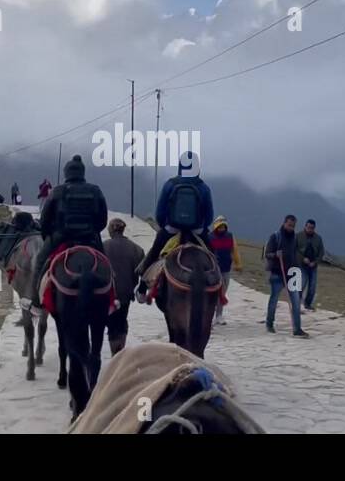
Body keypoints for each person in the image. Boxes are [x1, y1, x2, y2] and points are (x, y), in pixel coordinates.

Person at [29, 155, 108, 308]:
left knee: (40, 261)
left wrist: (48, 237)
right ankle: (114, 296)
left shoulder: (57, 191)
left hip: (61, 238)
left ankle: (35, 301)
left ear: (66, 173)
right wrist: (93, 231)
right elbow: (102, 220)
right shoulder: (96, 190)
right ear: (82, 173)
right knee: (107, 265)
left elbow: (44, 221)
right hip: (90, 238)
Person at [136, 151, 214, 300]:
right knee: (213, 257)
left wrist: (164, 227)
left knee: (154, 251)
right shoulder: (204, 187)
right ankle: (218, 292)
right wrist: (201, 227)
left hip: (172, 228)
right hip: (196, 230)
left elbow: (160, 212)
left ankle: (142, 288)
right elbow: (209, 216)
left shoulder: (170, 184)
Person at [102, 218, 145, 355]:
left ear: (110, 230)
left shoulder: (102, 247)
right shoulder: (136, 249)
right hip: (126, 294)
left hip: (107, 294)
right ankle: (120, 351)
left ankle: (115, 354)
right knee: (122, 321)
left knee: (111, 323)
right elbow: (143, 272)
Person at [264, 215, 309, 338]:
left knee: (295, 300)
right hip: (277, 273)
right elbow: (267, 253)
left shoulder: (294, 238)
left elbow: (295, 253)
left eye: (293, 226)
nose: (291, 228)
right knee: (274, 299)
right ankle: (269, 323)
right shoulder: (275, 236)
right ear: (284, 223)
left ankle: (297, 329)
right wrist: (275, 255)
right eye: (289, 225)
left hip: (291, 274)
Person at [209, 215, 242, 325]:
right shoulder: (210, 237)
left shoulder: (230, 237)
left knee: (222, 293)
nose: (221, 229)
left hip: (226, 269)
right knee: (213, 293)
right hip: (213, 270)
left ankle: (219, 315)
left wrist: (238, 264)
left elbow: (235, 251)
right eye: (219, 226)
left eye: (223, 226)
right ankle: (209, 315)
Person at [296, 219, 324, 312]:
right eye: (308, 227)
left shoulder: (318, 238)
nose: (310, 229)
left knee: (312, 287)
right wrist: (302, 258)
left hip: (313, 266)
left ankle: (307, 304)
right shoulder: (299, 236)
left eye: (312, 228)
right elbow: (294, 250)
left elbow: (321, 252)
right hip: (302, 265)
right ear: (305, 226)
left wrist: (315, 262)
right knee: (301, 285)